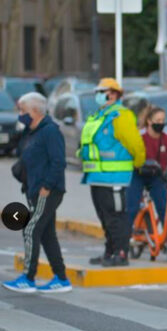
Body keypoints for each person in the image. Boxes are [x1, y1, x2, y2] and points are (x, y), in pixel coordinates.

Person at [3, 92, 71, 293]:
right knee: (47, 233)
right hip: (33, 188)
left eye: (23, 110)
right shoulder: (31, 131)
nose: (20, 114)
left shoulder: (50, 131)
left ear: (35, 111)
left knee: (30, 228)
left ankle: (28, 277)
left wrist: (47, 186)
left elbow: (59, 162)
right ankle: (61, 278)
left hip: (47, 190)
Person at [80, 78, 146, 267]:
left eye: (103, 92)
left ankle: (121, 253)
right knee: (105, 217)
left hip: (115, 177)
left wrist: (139, 163)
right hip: (96, 176)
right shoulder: (100, 115)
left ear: (114, 94)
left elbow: (135, 144)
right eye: (98, 92)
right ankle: (110, 251)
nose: (99, 96)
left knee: (116, 217)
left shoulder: (120, 116)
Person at [127, 106, 167, 226]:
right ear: (149, 121)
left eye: (163, 120)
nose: (161, 123)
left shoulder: (166, 138)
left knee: (164, 208)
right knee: (132, 208)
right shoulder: (140, 137)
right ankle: (125, 238)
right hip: (138, 174)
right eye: (158, 120)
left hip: (157, 176)